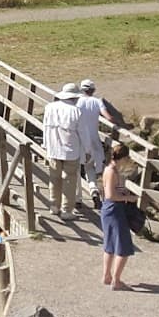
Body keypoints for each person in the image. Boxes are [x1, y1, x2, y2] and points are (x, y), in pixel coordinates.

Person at [42, 84, 95, 219]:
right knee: (69, 180)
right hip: (71, 151)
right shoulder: (77, 111)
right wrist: (88, 150)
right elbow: (83, 133)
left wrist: (45, 145)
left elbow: (45, 128)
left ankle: (54, 206)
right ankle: (66, 210)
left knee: (54, 178)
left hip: (53, 148)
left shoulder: (49, 108)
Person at [100, 142, 138, 290]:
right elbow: (110, 195)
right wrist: (128, 199)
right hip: (114, 210)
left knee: (109, 244)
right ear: (123, 157)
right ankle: (116, 280)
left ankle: (106, 276)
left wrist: (125, 194)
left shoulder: (113, 170)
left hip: (110, 210)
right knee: (123, 246)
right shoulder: (111, 172)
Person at [73, 80, 109, 204]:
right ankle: (94, 189)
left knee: (77, 168)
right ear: (93, 90)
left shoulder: (76, 102)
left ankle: (78, 198)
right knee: (91, 168)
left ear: (81, 90)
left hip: (79, 141)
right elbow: (107, 116)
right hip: (94, 141)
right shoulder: (97, 101)